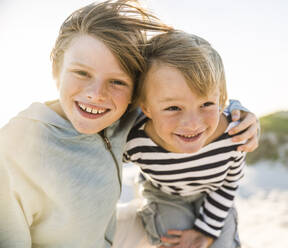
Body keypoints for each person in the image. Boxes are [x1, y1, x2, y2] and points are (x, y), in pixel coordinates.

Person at [0, 1, 259, 248]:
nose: (96, 94)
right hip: (157, 201)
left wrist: (238, 111)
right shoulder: (16, 148)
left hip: (120, 230)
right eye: (81, 72)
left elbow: (193, 100)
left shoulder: (123, 119)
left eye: (118, 82)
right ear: (56, 69)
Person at [121, 30, 257, 248]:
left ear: (221, 99)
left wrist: (207, 230)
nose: (192, 124)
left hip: (214, 193)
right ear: (146, 108)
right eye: (173, 107)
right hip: (165, 194)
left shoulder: (233, 134)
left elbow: (229, 182)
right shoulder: (135, 141)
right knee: (176, 241)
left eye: (206, 104)